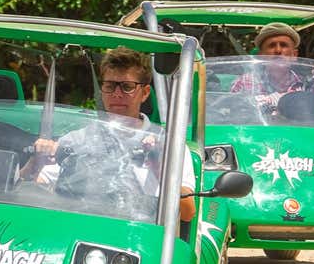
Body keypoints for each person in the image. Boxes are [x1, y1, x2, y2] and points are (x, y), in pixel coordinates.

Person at [21, 47, 197, 221]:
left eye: (127, 87)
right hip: (81, 231)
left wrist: (159, 167)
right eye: (110, 86)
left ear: (144, 93)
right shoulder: (78, 139)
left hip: (139, 237)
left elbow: (188, 213)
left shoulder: (168, 144)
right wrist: (35, 161)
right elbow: (30, 188)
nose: (117, 94)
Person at [230, 22, 314, 116]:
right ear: (261, 55)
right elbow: (232, 117)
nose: (278, 50)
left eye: (284, 45)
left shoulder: (308, 85)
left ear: (294, 55)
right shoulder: (245, 82)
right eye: (272, 45)